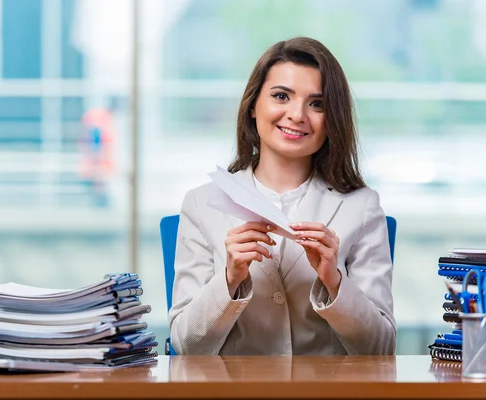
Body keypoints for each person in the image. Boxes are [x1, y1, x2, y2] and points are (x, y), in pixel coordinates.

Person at [168, 37, 396, 356]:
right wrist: (230, 278)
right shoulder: (201, 203)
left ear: (333, 120)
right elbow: (186, 345)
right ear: (252, 105)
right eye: (281, 96)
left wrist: (335, 281)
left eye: (317, 104)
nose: (297, 114)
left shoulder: (361, 206)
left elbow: (380, 348)